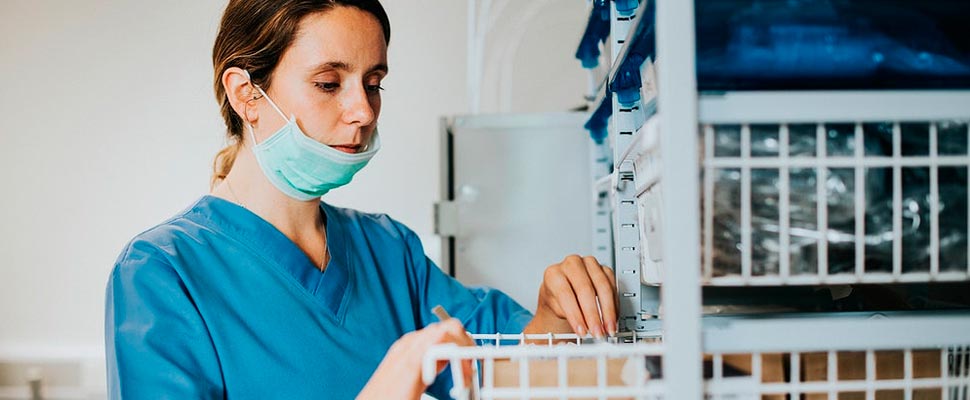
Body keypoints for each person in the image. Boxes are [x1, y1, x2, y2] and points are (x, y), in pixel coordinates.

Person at [104, 0, 618, 398]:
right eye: (329, 83)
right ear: (246, 95)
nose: (363, 111)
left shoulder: (387, 250)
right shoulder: (161, 273)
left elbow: (502, 368)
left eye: (373, 84)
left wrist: (555, 314)